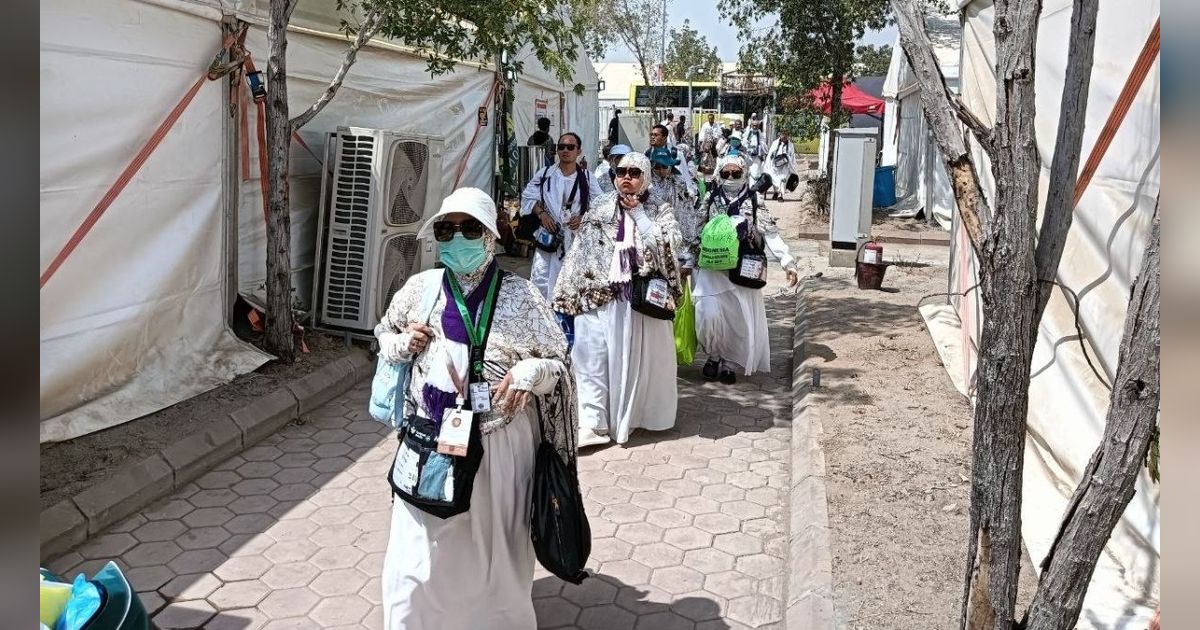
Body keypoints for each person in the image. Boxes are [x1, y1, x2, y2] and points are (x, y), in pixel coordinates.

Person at [375, 187, 577, 630]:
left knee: (495, 549)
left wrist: (532, 372)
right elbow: (383, 334)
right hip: (433, 441)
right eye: (447, 229)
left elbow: (560, 366)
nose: (457, 238)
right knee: (419, 551)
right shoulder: (420, 288)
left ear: (490, 235)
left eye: (470, 228)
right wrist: (400, 343)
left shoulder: (522, 296)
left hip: (501, 445)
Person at [552, 152, 683, 447]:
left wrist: (638, 215)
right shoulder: (599, 207)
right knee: (590, 358)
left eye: (635, 173)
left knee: (634, 363)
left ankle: (633, 418)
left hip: (637, 301)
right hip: (596, 295)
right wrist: (568, 292)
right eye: (621, 171)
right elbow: (580, 251)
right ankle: (593, 423)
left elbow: (669, 247)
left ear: (645, 177)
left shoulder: (660, 209)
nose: (627, 178)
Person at [678, 155, 799, 384]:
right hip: (712, 271)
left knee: (736, 319)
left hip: (742, 270)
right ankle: (713, 354)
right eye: (725, 174)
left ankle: (727, 364)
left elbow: (770, 232)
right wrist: (688, 262)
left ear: (744, 173)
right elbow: (696, 232)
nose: (731, 178)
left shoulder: (754, 199)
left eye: (735, 173)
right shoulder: (711, 198)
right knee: (708, 315)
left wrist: (787, 261)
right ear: (719, 175)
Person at [520, 132, 605, 300]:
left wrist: (583, 218)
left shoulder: (587, 177)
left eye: (570, 147)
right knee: (541, 282)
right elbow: (528, 197)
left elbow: (601, 205)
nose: (565, 150)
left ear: (578, 151)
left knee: (573, 284)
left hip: (576, 241)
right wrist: (542, 214)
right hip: (548, 240)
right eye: (561, 147)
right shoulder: (545, 174)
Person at [646, 124, 696, 196]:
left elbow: (683, 173)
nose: (652, 137)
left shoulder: (676, 154)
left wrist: (689, 189)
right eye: (651, 135)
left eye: (656, 135)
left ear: (664, 138)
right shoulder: (647, 153)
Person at [766, 130, 797, 201]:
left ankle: (780, 195)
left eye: (786, 135)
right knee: (775, 179)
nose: (784, 137)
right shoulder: (775, 143)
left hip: (785, 166)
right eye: (783, 135)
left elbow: (792, 156)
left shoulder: (790, 145)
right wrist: (769, 162)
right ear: (780, 135)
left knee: (783, 179)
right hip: (775, 165)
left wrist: (792, 165)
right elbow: (770, 154)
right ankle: (776, 192)